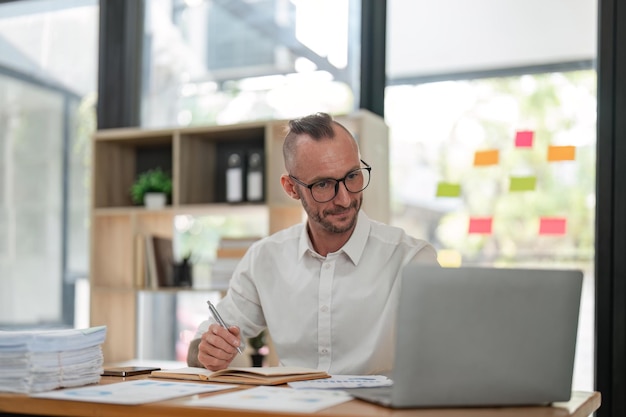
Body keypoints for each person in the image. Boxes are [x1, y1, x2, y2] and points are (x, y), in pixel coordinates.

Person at [187, 112, 438, 375]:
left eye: (352, 176)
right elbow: (201, 344)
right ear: (291, 188)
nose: (344, 199)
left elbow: (449, 358)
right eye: (324, 184)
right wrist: (207, 351)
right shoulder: (265, 258)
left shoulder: (411, 260)